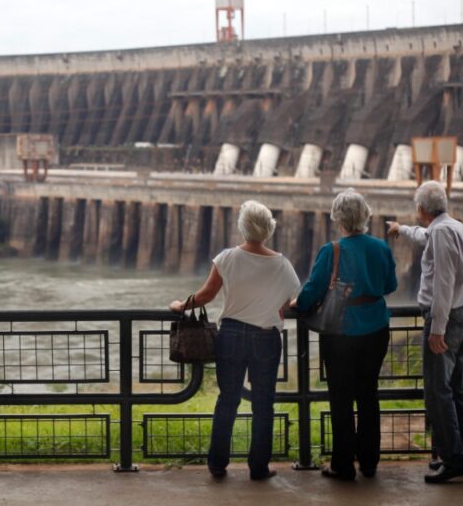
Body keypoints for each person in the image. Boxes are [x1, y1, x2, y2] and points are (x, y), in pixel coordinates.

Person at [169, 200, 300, 481]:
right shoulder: (282, 264)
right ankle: (259, 467)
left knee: (227, 400)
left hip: (231, 335)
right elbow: (292, 301)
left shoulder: (227, 257)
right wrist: (276, 306)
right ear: (268, 228)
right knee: (263, 403)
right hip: (266, 338)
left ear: (243, 227)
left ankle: (217, 464)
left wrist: (182, 305)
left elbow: (206, 295)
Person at [293, 189, 397, 481]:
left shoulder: (332, 250)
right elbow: (391, 285)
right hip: (376, 328)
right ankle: (369, 461)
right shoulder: (381, 247)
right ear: (365, 215)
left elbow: (312, 290)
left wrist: (297, 305)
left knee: (340, 398)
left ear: (338, 218)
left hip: (340, 331)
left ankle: (343, 464)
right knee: (367, 394)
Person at [387, 180, 463, 483]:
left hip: (446, 320)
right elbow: (424, 235)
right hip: (462, 317)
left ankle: (454, 459)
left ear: (422, 209)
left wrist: (437, 329)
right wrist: (402, 229)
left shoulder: (440, 232)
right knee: (458, 390)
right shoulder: (454, 227)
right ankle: (461, 452)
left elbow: (443, 283)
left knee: (438, 392)